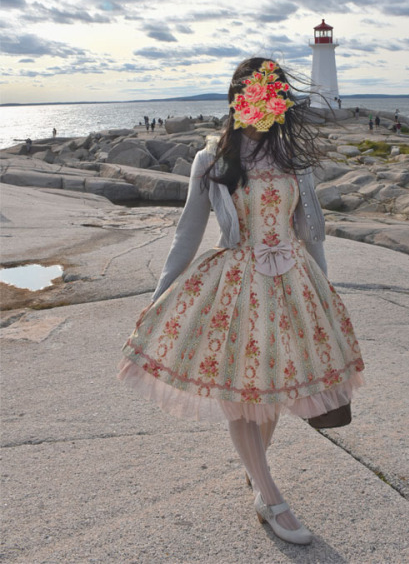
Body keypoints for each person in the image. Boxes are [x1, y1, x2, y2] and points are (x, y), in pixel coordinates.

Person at [117, 58, 364, 546]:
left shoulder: (294, 159)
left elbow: (311, 232)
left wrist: (325, 293)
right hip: (236, 284)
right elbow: (188, 231)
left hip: (293, 284)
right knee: (242, 391)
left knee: (269, 389)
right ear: (237, 98)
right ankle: (271, 499)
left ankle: (258, 476)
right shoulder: (211, 159)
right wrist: (160, 295)